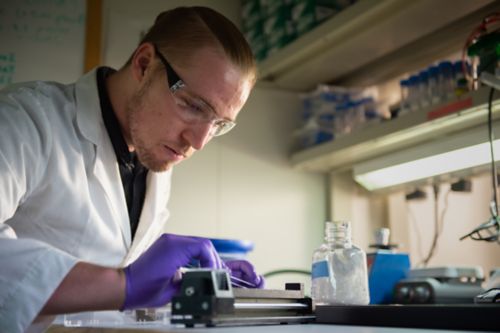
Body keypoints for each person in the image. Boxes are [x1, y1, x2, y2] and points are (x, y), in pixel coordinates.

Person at [0, 6, 263, 333]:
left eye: (219, 124)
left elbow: (124, 274)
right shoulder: (23, 120)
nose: (198, 142)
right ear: (144, 64)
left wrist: (191, 279)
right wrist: (120, 284)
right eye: (194, 106)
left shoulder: (153, 154)